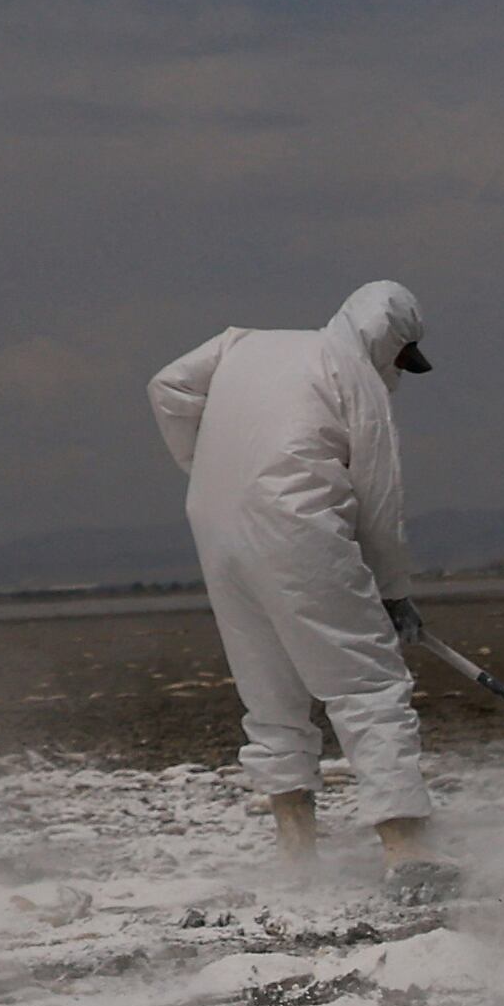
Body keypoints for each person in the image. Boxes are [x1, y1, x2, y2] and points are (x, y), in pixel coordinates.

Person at [148, 282, 442, 869]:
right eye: (400, 360)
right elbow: (380, 500)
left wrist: (203, 464)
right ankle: (407, 854)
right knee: (367, 686)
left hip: (216, 526)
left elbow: (168, 386)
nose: (398, 373)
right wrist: (393, 593)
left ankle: (296, 854)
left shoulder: (241, 345)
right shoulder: (357, 376)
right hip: (298, 528)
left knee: (270, 692)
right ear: (387, 339)